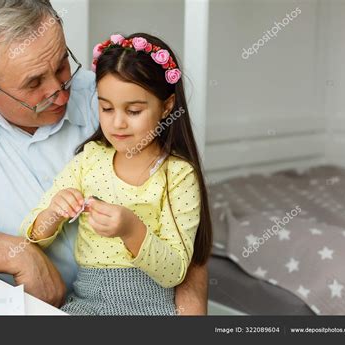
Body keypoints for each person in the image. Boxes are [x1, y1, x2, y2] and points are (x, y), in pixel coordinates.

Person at [0, 0, 209, 314]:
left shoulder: (109, 96)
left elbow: (185, 224)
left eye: (61, 65)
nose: (60, 92)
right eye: (34, 83)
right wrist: (16, 253)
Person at [20, 33, 212, 315]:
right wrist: (54, 211)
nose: (117, 123)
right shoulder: (90, 160)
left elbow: (175, 271)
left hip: (152, 310)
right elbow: (32, 234)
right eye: (106, 108)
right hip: (87, 306)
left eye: (133, 110)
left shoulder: (178, 176)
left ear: (167, 106)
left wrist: (132, 230)